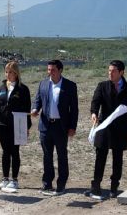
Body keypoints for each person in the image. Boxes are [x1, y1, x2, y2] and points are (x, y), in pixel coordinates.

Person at [87, 60, 127, 199]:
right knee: (100, 157)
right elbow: (95, 102)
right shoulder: (102, 86)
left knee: (117, 159)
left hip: (121, 129)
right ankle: (96, 186)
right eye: (109, 70)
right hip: (104, 127)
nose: (110, 73)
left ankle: (114, 187)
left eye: (114, 71)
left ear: (121, 72)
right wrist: (94, 113)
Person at [31, 59, 78, 196]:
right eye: (48, 70)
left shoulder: (70, 86)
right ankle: (47, 184)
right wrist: (35, 109)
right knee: (47, 156)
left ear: (60, 70)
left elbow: (74, 109)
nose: (50, 72)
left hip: (61, 126)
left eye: (53, 70)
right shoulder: (43, 84)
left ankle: (61, 184)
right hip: (45, 125)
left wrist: (72, 127)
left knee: (62, 156)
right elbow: (37, 100)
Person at [0, 61, 32, 191]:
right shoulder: (1, 88)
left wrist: (27, 126)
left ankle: (14, 180)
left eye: (11, 72)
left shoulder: (23, 89)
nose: (8, 74)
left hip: (17, 124)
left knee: (14, 152)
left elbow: (27, 109)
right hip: (2, 124)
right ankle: (5, 179)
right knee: (5, 152)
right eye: (7, 72)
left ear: (16, 73)